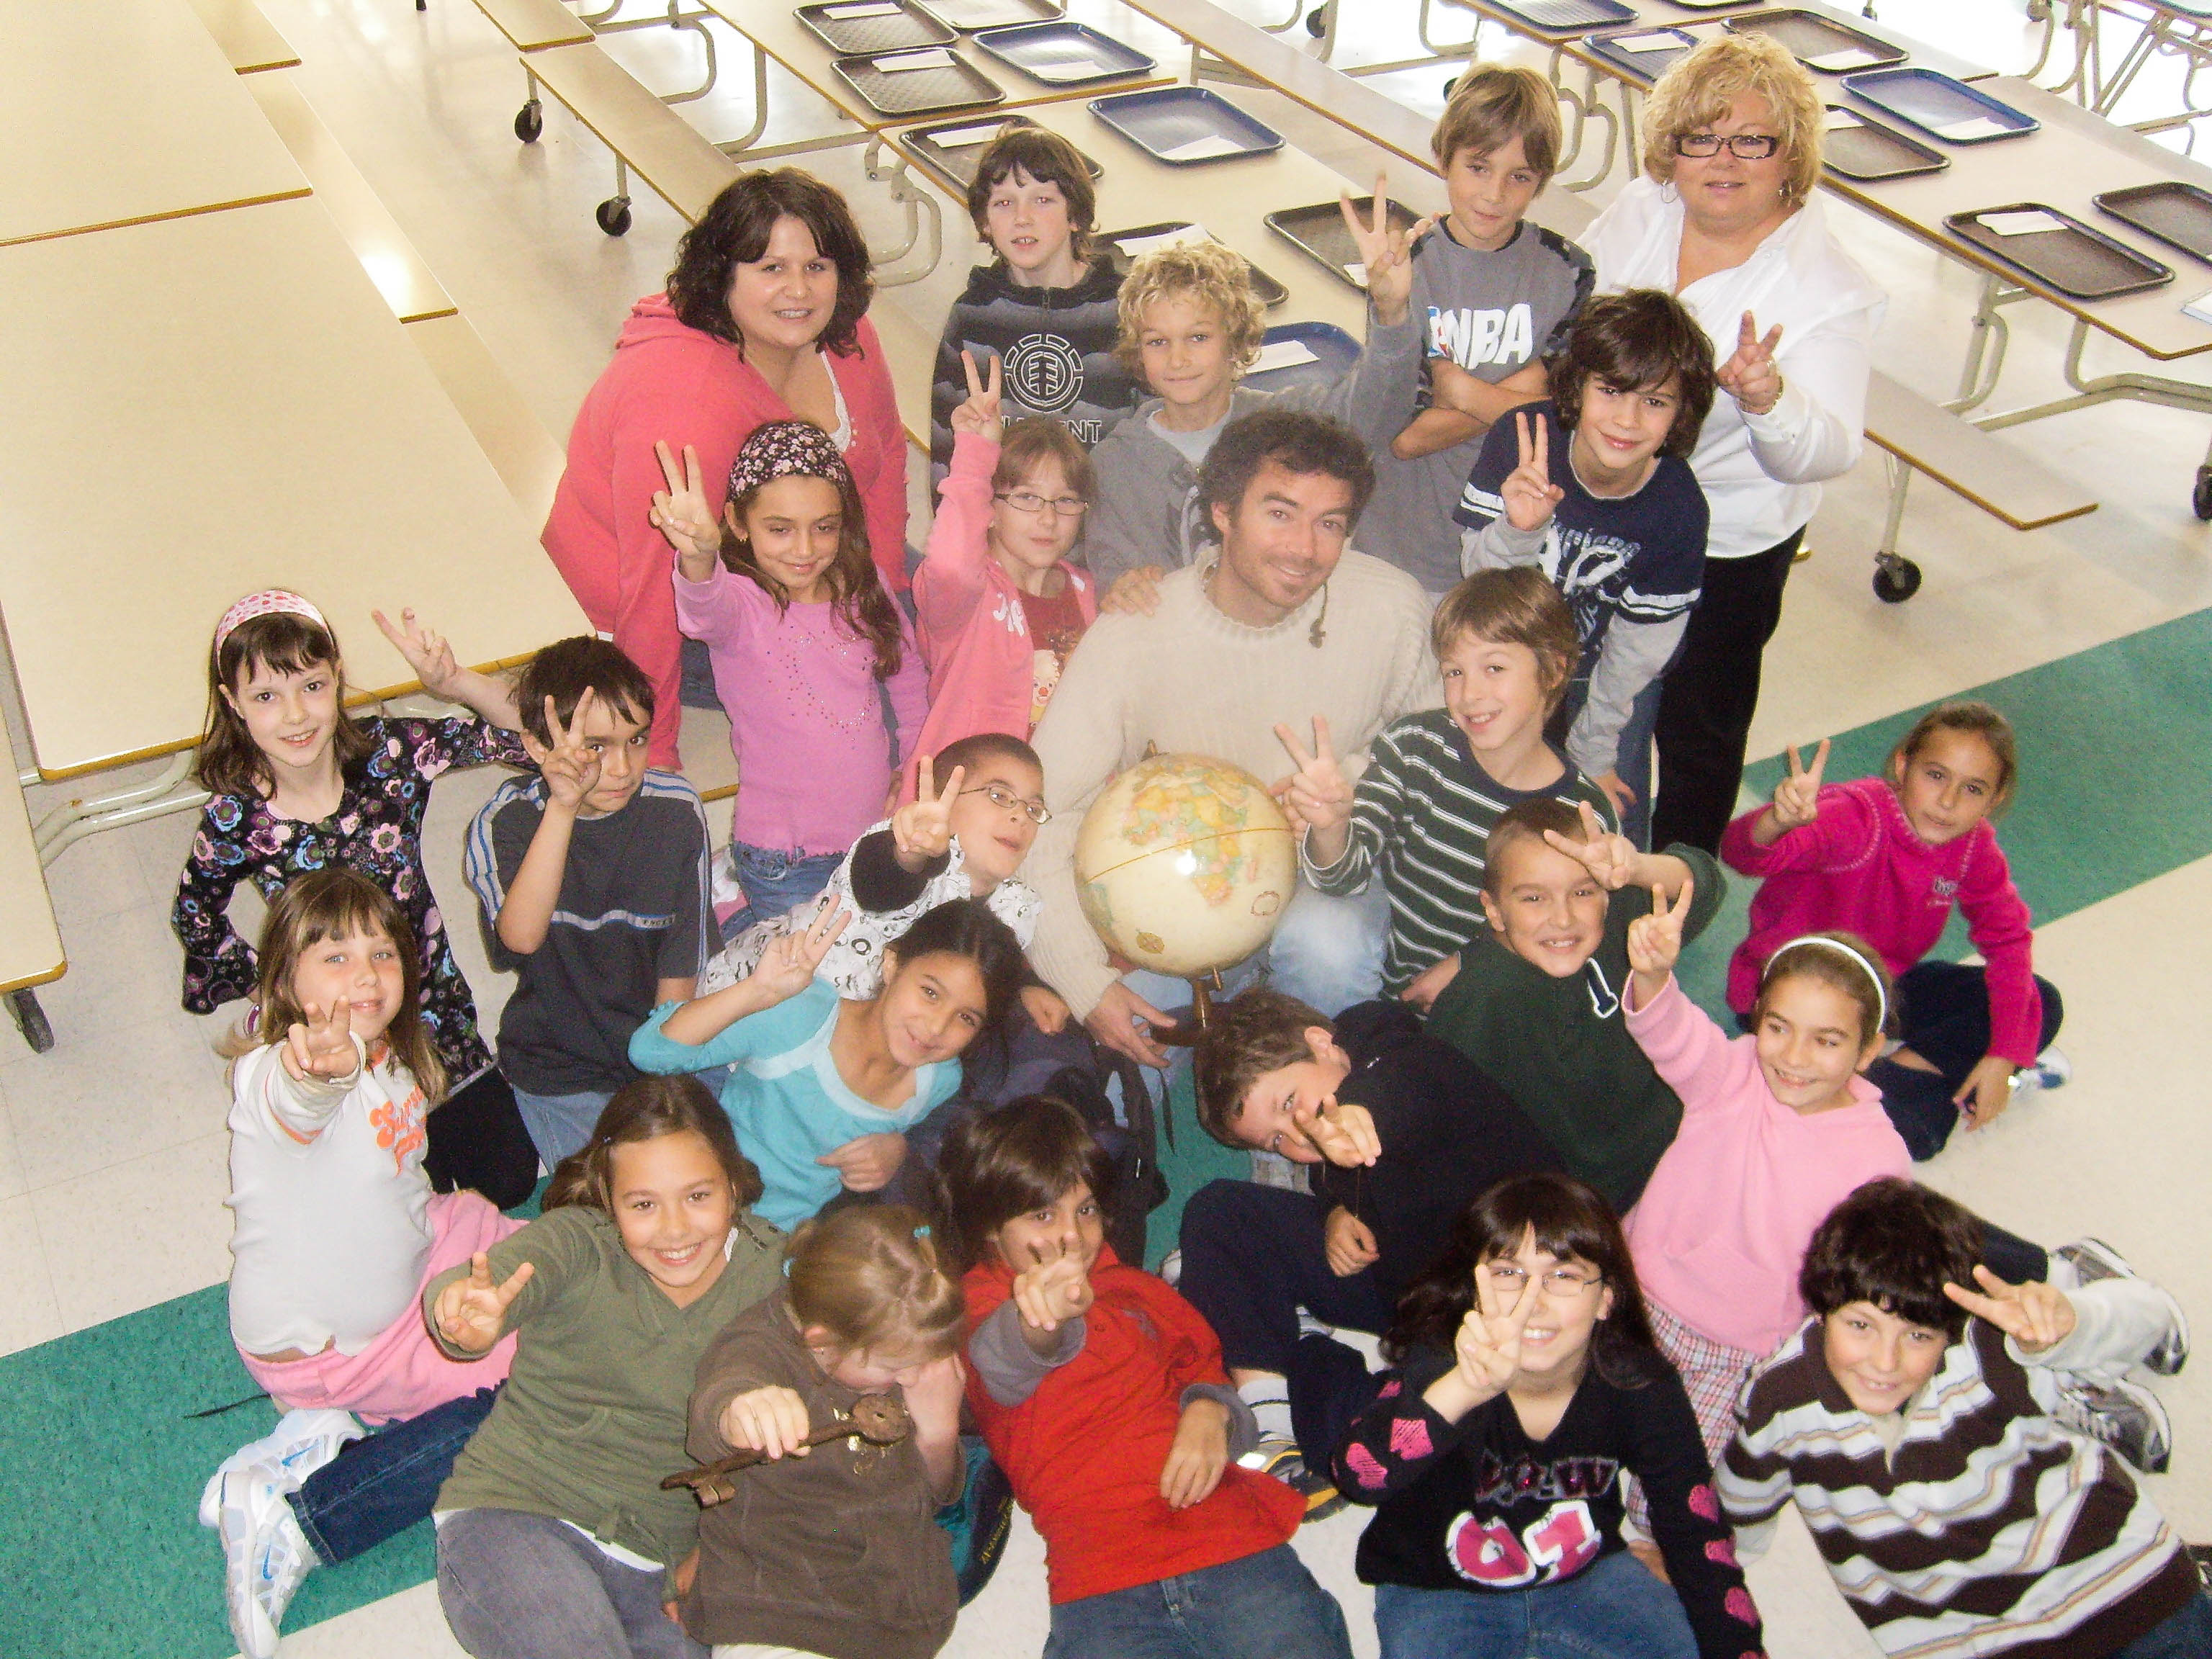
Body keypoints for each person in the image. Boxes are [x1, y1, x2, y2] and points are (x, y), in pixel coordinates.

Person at [1025, 407, 1439, 1069]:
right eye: (1279, 513)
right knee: (1111, 1082)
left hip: (1328, 883)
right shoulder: (1136, 632)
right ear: (1221, 512)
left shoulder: (1391, 609)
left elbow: (1436, 764)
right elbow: (1037, 811)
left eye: (1329, 523)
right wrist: (1085, 982)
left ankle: (1310, 1107)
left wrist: (1348, 786)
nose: (1304, 548)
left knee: (1325, 946)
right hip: (1181, 908)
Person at [1581, 33, 1884, 852]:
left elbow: (1828, 451)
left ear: (1791, 156)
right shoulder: (1644, 212)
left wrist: (1767, 398)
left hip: (1728, 543)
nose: (1723, 159)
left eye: (1752, 139)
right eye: (1700, 137)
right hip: (1607, 503)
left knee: (1696, 731)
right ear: (1670, 149)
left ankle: (1677, 889)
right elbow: (1573, 323)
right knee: (1590, 697)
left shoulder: (1830, 288)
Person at [208, 871, 518, 1659]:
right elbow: (297, 1098)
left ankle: (315, 1440)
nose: (367, 974)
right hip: (340, 1348)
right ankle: (297, 1503)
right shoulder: (276, 1073)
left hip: (409, 1260)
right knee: (523, 1396)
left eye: (382, 953)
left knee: (549, 1275)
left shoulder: (393, 1064)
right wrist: (318, 1069)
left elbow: (391, 1176)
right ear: (285, 981)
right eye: (335, 956)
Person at [937, 1097, 1356, 1659]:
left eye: (1085, 1211)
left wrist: (1210, 1411)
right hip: (1099, 1582)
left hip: (1231, 1542)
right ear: (991, 1228)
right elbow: (1005, 1366)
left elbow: (1209, 1371)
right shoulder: (980, 1303)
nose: (1071, 1237)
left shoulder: (1143, 1292)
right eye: (1043, 1215)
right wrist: (1047, 1318)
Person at [1723, 1179, 2203, 1658]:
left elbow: (2149, 1314)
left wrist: (2073, 1321)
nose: (1885, 1362)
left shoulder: (1989, 1338)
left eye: (1917, 1336)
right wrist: (1705, 1561)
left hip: (2126, 1582)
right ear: (1823, 1308)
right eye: (1862, 1326)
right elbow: (1739, 1506)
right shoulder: (1780, 1399)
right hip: (1978, 1643)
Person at [174, 590, 539, 1209]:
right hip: (337, 1038)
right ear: (233, 704)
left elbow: (530, 742)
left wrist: (454, 682)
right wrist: (266, 986)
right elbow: (194, 913)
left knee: (507, 1182)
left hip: (434, 1015)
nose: (295, 716)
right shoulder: (234, 816)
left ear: (338, 678)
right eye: (266, 696)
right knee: (395, 1198)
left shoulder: (389, 755)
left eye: (311, 686)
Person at [543, 168, 909, 769]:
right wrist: (652, 752)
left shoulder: (847, 337)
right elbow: (653, 589)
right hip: (683, 611)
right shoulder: (680, 400)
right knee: (873, 727)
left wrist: (886, 594)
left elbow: (886, 456)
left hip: (806, 552)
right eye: (771, 269)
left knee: (948, 629)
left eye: (817, 267)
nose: (799, 291)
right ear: (724, 277)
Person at [1331, 1174, 1765, 1659]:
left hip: (1585, 1573)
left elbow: (1695, 1529)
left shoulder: (1639, 1382)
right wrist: (1465, 1390)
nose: (1531, 1302)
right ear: (1473, 1289)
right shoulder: (1442, 1362)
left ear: (1606, 1298)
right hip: (1437, 1586)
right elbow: (1358, 1476)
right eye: (1507, 1272)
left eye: (1564, 1275)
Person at [427, 1076, 786, 1659]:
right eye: (643, 1204)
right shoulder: (579, 1241)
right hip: (518, 1512)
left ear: (734, 1184)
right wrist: (463, 1314)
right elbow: (494, 1280)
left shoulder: (773, 1272)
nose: (674, 1229)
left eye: (699, 1196)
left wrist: (721, 1548)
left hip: (661, 1565)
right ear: (607, 1197)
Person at [1182, 989, 1564, 1498]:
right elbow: (1331, 1174)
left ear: (1321, 1043)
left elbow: (1400, 1090)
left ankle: (1316, 1356)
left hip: (1494, 1304)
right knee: (1217, 1213)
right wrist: (1336, 1211)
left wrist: (1359, 1114)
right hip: (1398, 1282)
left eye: (1290, 1104)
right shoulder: (1322, 1133)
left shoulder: (1406, 1058)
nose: (1295, 1141)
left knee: (1402, 1456)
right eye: (1274, 1141)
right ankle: (1269, 1411)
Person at [1720, 703, 2064, 1160]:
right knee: (1917, 1134)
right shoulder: (1853, 818)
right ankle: (1882, 1088)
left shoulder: (1973, 846)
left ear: (1993, 799)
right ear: (1903, 764)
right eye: (1936, 776)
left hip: (1881, 994)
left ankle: (1882, 1077)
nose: (1948, 802)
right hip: (1793, 1004)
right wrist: (1778, 822)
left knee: (2039, 1002)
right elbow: (1744, 855)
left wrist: (2003, 1054)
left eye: (1973, 789)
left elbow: (2009, 940)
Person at [1277, 567, 1619, 1004]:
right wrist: (1330, 829)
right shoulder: (1414, 746)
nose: (1469, 693)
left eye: (1494, 667)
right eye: (1454, 672)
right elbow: (1344, 880)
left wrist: (1476, 966)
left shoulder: (1585, 812)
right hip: (1383, 998)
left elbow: (1584, 938)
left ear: (1553, 670)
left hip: (1491, 1009)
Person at [1456, 289, 1717, 847]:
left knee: (1612, 816)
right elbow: (1480, 596)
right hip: (1504, 642)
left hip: (1605, 667)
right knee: (1478, 797)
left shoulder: (1678, 511)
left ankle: (1626, 923)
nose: (1626, 420)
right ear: (1577, 386)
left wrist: (1593, 753)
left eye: (1655, 402)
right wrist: (1518, 531)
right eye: (1611, 391)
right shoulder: (1524, 440)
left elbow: (1637, 654)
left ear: (1679, 416)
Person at [649, 420, 927, 922]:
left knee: (862, 964)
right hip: (785, 858)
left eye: (825, 526)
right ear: (737, 522)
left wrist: (911, 770)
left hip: (872, 837)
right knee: (802, 980)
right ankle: (731, 921)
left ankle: (736, 914)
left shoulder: (866, 587)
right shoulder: (741, 605)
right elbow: (703, 608)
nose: (804, 550)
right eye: (779, 529)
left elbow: (907, 683)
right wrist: (699, 558)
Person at [1084, 201, 1426, 599]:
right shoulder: (1114, 466)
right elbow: (1115, 574)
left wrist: (1390, 313)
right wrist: (1125, 589)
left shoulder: (1287, 426)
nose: (1178, 359)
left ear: (1234, 340)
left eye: (1198, 337)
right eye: (1158, 342)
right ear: (1137, 353)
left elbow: (1375, 413)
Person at [630, 899, 1027, 1231]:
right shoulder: (803, 1016)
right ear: (891, 965)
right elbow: (650, 1054)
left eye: (966, 1019)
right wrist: (757, 992)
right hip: (699, 1211)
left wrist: (897, 1148)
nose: (937, 1027)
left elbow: (933, 1146)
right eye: (930, 992)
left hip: (786, 1248)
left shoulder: (940, 1079)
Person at [464, 639, 712, 1168]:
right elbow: (521, 939)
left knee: (718, 1173)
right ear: (536, 747)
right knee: (607, 1196)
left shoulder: (676, 812)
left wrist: (663, 1089)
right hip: (557, 1067)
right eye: (596, 747)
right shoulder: (503, 822)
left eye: (638, 740)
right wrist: (563, 806)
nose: (623, 767)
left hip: (655, 1050)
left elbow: (680, 972)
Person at [682, 1205, 966, 1659]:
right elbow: (723, 1395)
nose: (915, 1378)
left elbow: (934, 1497)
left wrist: (939, 1433)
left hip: (897, 1622)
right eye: (895, 1367)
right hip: (780, 1611)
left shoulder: (912, 1356)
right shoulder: (761, 1345)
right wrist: (741, 1410)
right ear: (820, 1341)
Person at [1354, 66, 1594, 600]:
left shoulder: (1569, 270)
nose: (1494, 194)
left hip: (1510, 538)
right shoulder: (1404, 269)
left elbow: (1564, 411)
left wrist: (1462, 391)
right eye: (1478, 167)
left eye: (1520, 177)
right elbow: (1405, 436)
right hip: (1398, 540)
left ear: (1542, 180)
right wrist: (1522, 393)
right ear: (1445, 158)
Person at [1423, 798, 1719, 1212]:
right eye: (1533, 899)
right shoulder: (1477, 1004)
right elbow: (1444, 1129)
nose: (1563, 919)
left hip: (1676, 1139)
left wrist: (1637, 868)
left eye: (1582, 892)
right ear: (1493, 910)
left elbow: (1705, 882)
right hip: (1583, 1197)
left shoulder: (1621, 920)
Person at [701, 737, 1053, 1017]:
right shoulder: (904, 855)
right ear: (939, 799)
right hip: (745, 1007)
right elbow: (881, 885)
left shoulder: (1015, 907)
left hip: (843, 1046)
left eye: (1033, 809)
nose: (1020, 816)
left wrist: (1027, 985)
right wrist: (912, 853)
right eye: (999, 796)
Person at [911, 352, 1100, 763]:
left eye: (1066, 501)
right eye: (1027, 498)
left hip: (1057, 801)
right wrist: (977, 454)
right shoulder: (966, 595)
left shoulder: (1088, 592)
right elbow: (949, 565)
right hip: (966, 802)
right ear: (989, 507)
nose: (1048, 519)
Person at [929, 127, 1133, 482]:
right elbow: (947, 447)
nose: (1022, 218)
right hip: (1005, 528)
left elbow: (1152, 437)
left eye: (1043, 200)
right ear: (985, 223)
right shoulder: (972, 316)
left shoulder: (1123, 312)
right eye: (1004, 203)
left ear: (1076, 216)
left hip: (1107, 525)